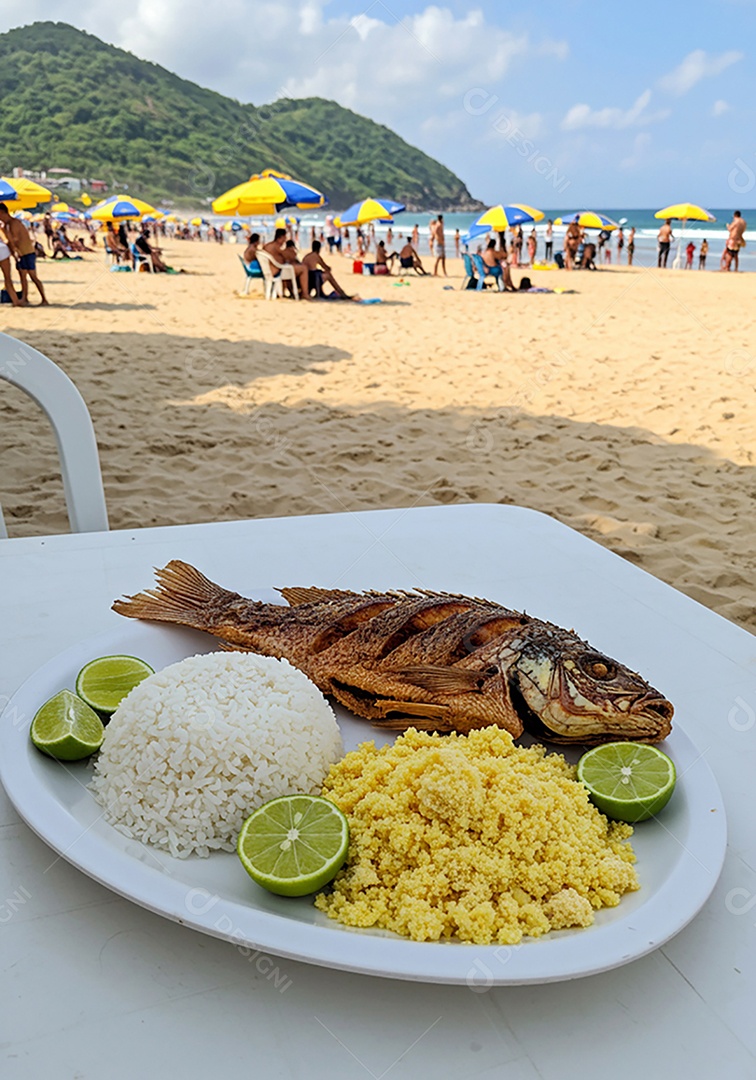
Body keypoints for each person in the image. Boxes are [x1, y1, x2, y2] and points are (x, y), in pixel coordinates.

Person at [0, 203, 48, 304]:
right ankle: (25, 298)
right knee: (22, 276)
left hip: (26, 252)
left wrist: (6, 235)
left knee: (32, 276)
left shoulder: (14, 223)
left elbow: (15, 240)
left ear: (3, 213)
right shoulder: (9, 225)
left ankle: (44, 299)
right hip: (22, 253)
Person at [0, 226, 23, 305]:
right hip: (3, 249)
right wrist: (14, 252)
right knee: (7, 278)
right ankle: (15, 300)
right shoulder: (2, 224)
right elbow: (6, 239)